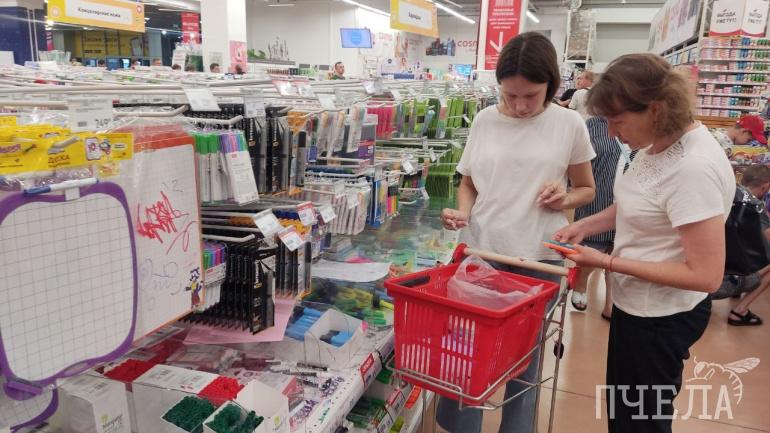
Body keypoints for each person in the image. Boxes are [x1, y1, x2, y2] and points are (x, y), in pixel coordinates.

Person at [554, 53, 735, 433]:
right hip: (637, 306)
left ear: (655, 108)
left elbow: (705, 276)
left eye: (617, 121)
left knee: (641, 422)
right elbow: (639, 203)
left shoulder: (692, 169)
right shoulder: (658, 145)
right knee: (626, 415)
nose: (612, 133)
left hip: (660, 318)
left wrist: (605, 262)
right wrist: (585, 225)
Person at [439, 32, 596, 433]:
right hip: (481, 250)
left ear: (551, 85)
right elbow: (468, 181)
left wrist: (564, 197)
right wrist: (462, 212)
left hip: (538, 258)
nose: (521, 105)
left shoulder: (568, 123)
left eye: (531, 95)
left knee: (525, 361)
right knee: (466, 352)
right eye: (511, 95)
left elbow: (587, 188)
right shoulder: (485, 120)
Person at [569, 116, 622, 319]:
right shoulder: (591, 126)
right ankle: (581, 283)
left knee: (618, 252)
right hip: (596, 198)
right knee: (592, 249)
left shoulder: (639, 126)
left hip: (625, 199)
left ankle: (610, 303)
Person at [713, 163, 770, 326]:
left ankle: (736, 292)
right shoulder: (755, 206)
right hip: (721, 285)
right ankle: (740, 312)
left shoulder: (731, 191)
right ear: (765, 186)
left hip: (702, 278)